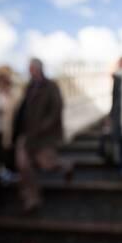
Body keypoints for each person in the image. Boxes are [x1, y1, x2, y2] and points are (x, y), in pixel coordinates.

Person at [13, 58, 74, 213]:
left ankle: (66, 165)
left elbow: (57, 107)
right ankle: (32, 197)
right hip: (26, 134)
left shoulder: (51, 86)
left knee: (46, 163)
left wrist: (45, 126)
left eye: (31, 68)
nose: (29, 71)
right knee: (23, 165)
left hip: (43, 136)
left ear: (38, 69)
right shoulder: (28, 87)